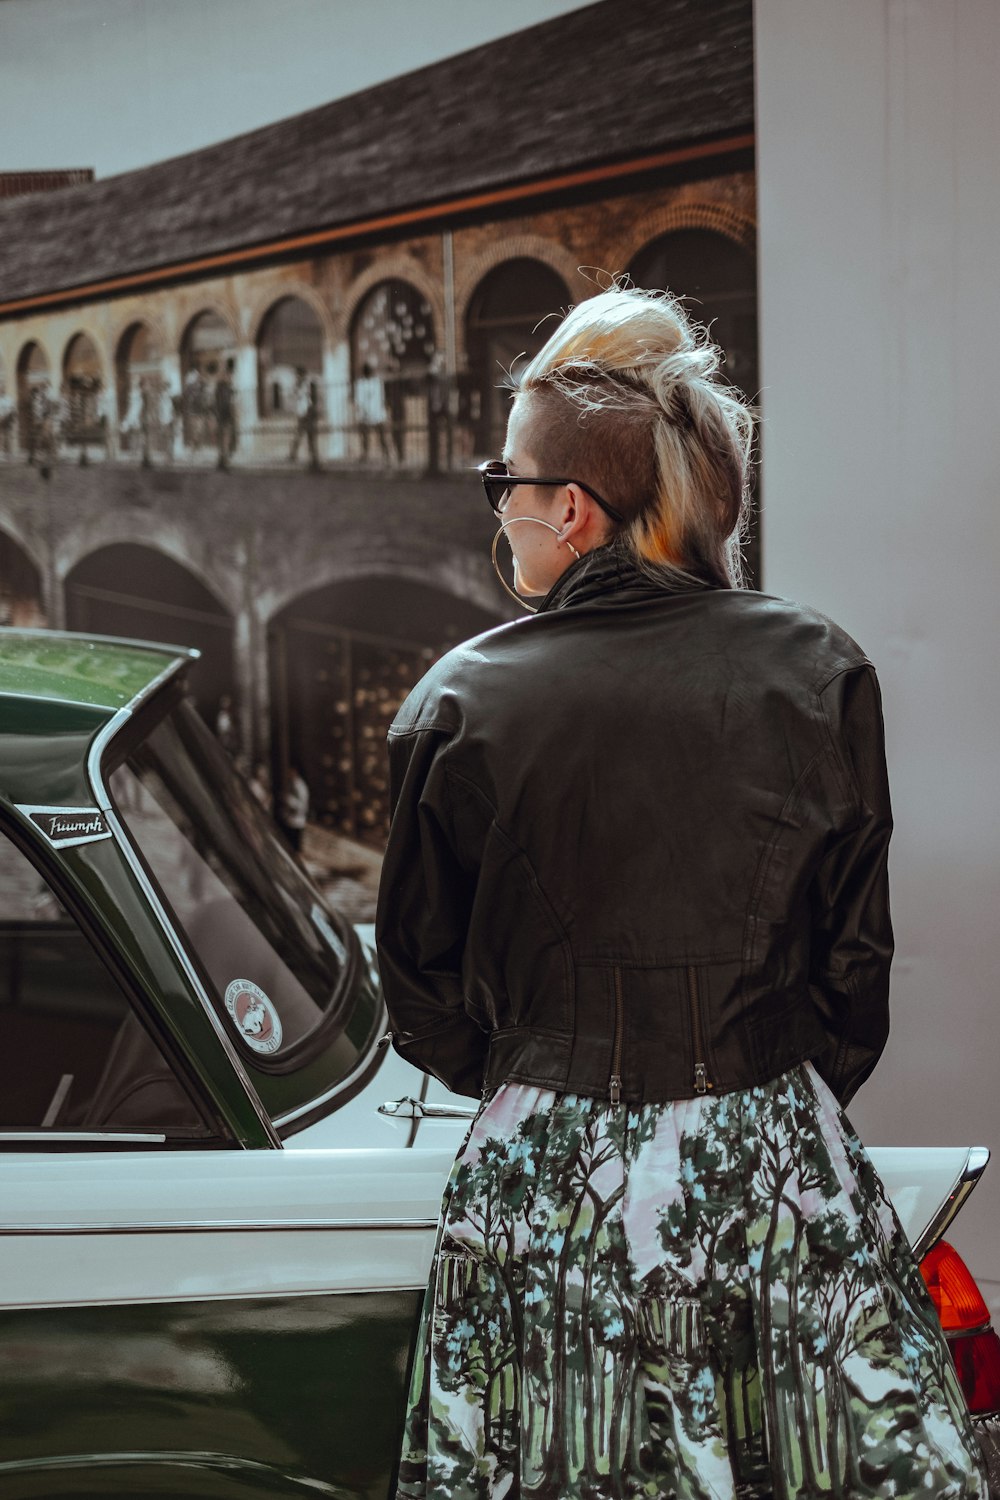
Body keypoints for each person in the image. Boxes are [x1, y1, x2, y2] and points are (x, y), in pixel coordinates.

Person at [375, 285, 988, 1499]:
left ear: (569, 505)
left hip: (539, 1176)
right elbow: (851, 979)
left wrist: (547, 1084)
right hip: (764, 1161)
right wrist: (740, 1092)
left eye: (509, 486)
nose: (504, 513)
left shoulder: (458, 699)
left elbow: (423, 998)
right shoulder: (817, 669)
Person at [353, 359, 393, 465]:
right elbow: (359, 401)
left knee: (382, 436)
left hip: (377, 414)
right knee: (365, 437)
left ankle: (387, 456)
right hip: (367, 414)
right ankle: (366, 455)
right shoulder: (361, 383)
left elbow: (381, 398)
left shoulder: (376, 382)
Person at [289, 366, 321, 471]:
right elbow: (295, 399)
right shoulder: (297, 386)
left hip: (309, 412)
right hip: (301, 413)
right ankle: (293, 454)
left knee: (310, 437)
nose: (297, 377)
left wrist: (313, 410)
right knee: (299, 434)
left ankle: (314, 459)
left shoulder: (309, 385)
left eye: (298, 374)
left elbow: (314, 398)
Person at [214, 358, 238, 469]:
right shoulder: (226, 388)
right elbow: (229, 404)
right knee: (225, 439)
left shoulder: (220, 388)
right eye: (230, 375)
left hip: (220, 416)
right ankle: (224, 461)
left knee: (222, 440)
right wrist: (233, 415)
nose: (231, 377)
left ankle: (221, 460)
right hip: (225, 416)